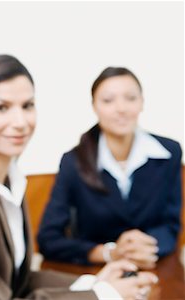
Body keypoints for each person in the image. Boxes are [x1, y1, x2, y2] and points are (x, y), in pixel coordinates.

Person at [0, 56, 157, 300]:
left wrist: (94, 282)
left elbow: (17, 280)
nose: (20, 122)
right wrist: (103, 295)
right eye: (1, 108)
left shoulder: (6, 176)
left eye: (27, 105)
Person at [37, 67, 182, 270]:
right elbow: (48, 238)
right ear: (94, 106)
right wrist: (109, 253)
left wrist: (145, 247)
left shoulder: (169, 153)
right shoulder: (74, 161)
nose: (121, 108)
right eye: (108, 100)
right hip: (96, 271)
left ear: (142, 102)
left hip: (154, 266)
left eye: (130, 98)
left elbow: (171, 225)